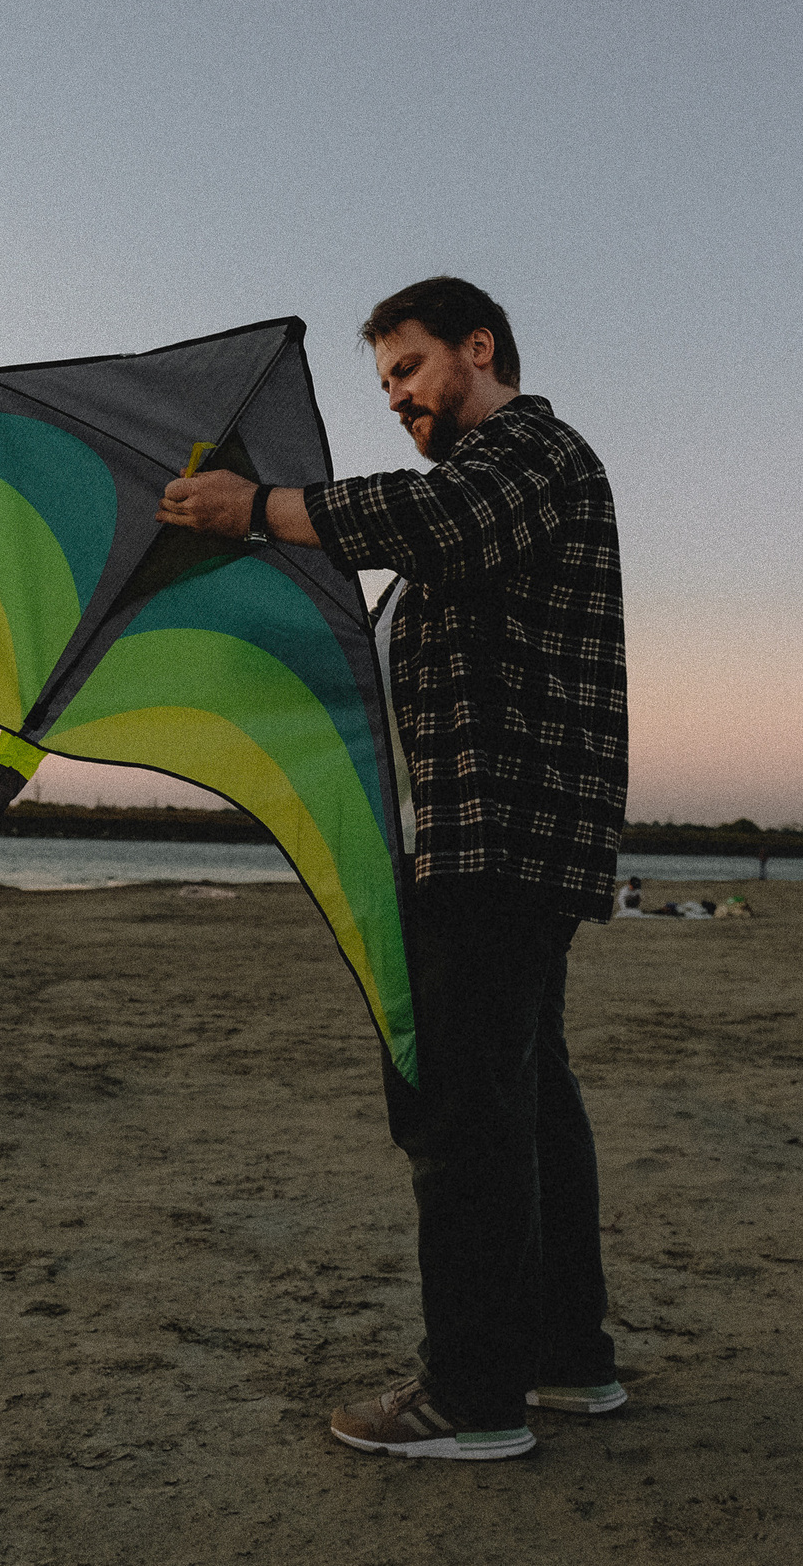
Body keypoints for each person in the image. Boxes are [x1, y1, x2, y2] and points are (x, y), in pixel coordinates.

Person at [157, 276, 628, 1458]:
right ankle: (567, 1359)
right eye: (384, 385)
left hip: (498, 840)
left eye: (409, 370)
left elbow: (430, 523)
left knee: (464, 1112)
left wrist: (255, 507)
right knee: (523, 1106)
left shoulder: (530, 453)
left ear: (479, 349)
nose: (397, 399)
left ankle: (470, 1400)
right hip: (495, 841)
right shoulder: (491, 484)